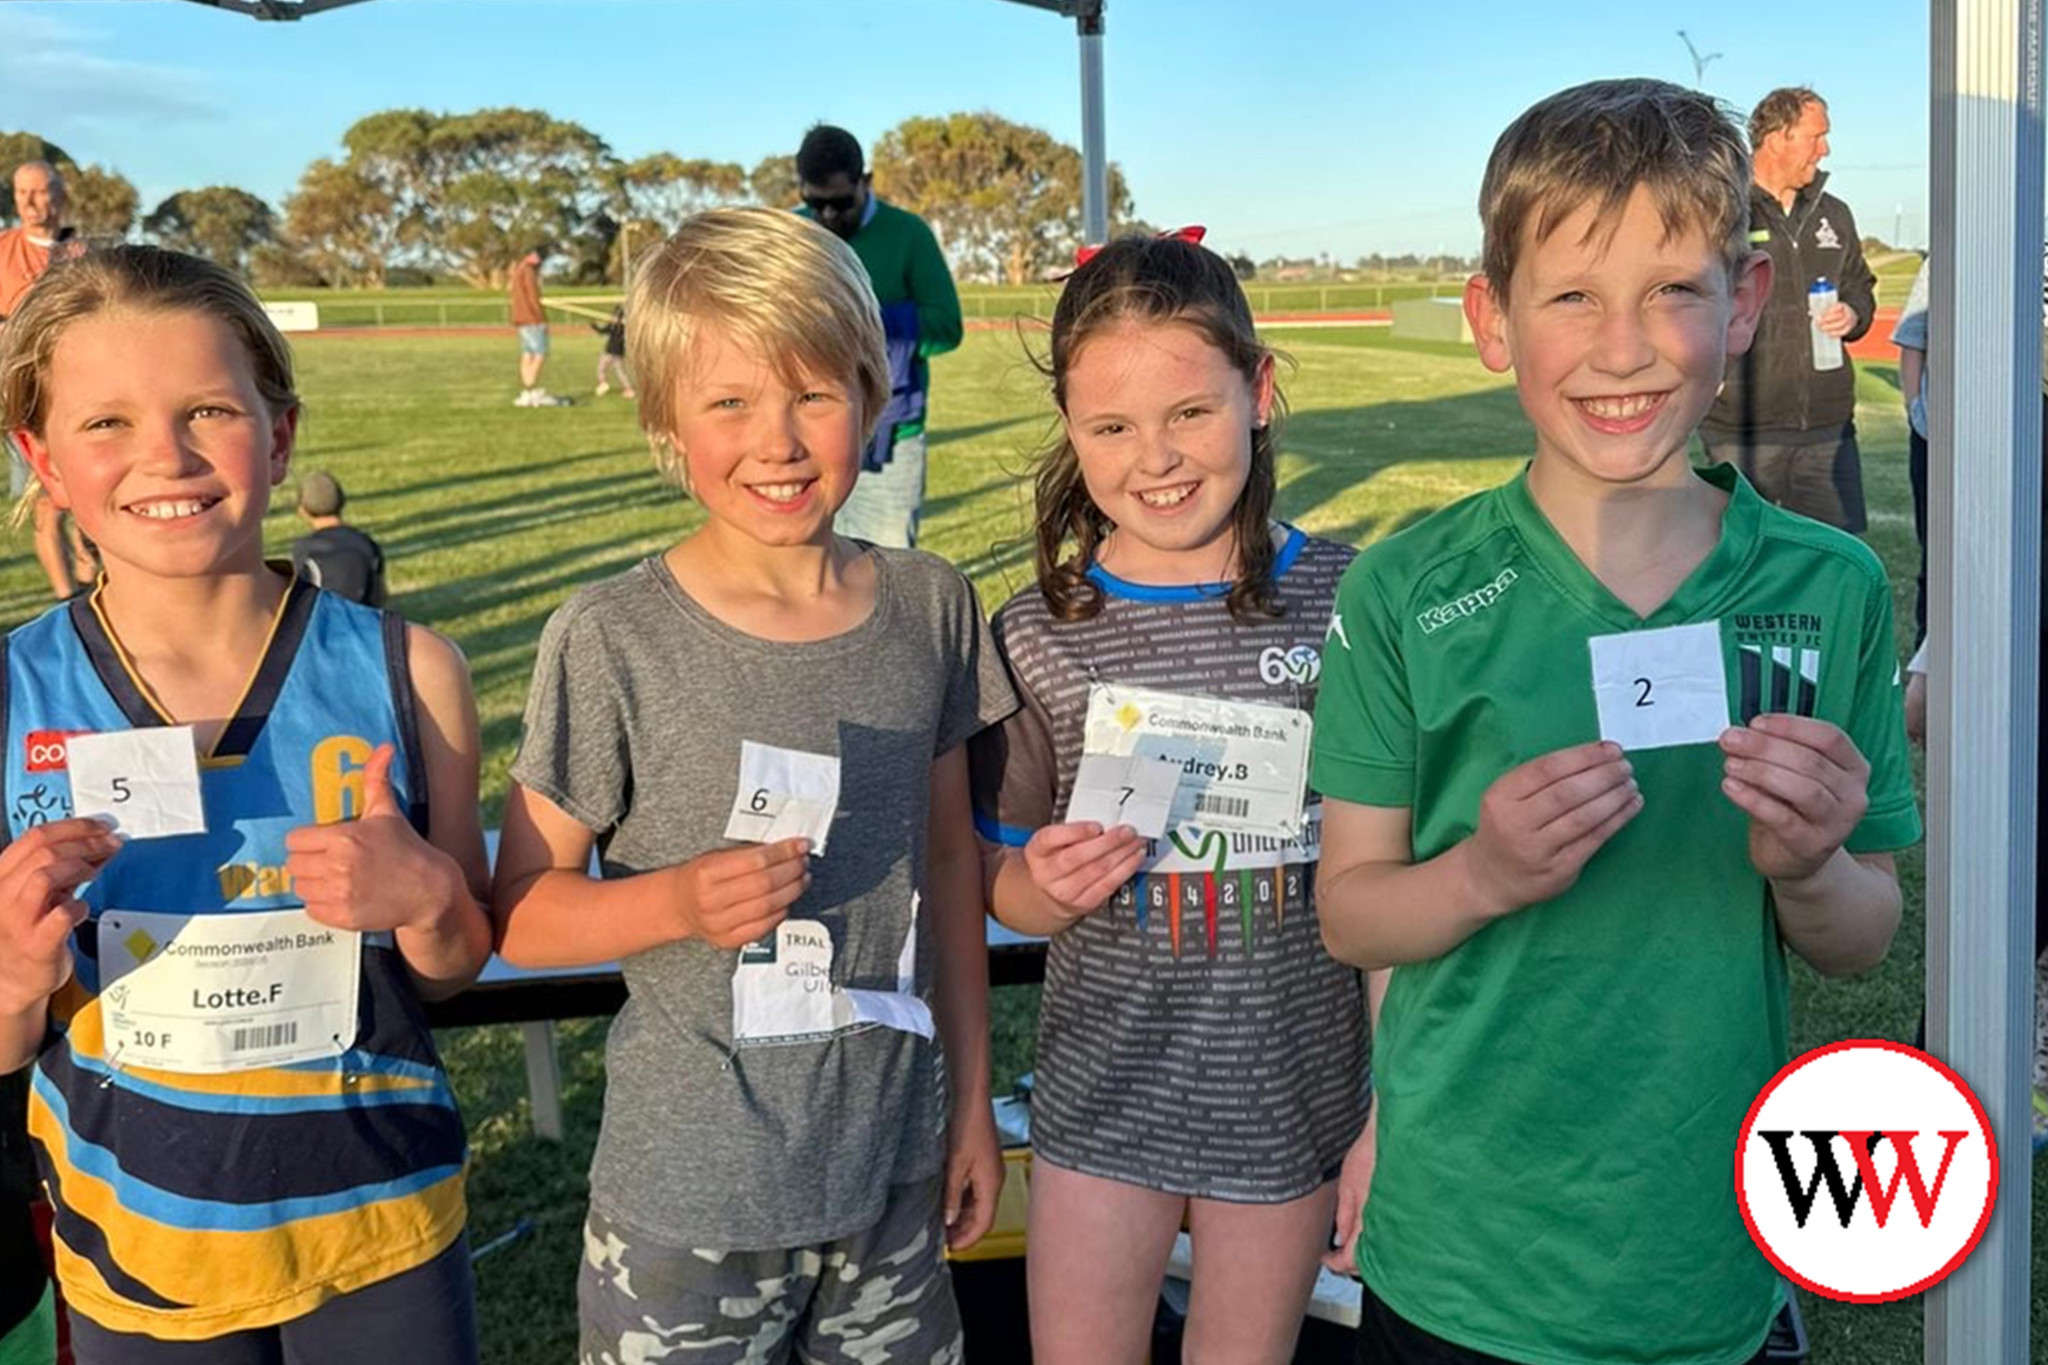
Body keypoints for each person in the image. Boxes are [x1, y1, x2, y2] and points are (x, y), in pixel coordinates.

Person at [1311, 80, 1918, 1365]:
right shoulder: (1408, 589)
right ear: (1492, 318)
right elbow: (1350, 909)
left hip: (1703, 1260)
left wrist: (1808, 864)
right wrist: (1481, 871)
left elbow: (1863, 933)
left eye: (1672, 292)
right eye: (1571, 295)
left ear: (1744, 304)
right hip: (1458, 1260)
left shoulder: (1829, 586)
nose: (1623, 347)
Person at [490, 206, 1016, 1364]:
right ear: (665, 419)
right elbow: (521, 912)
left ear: (874, 401)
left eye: (813, 394)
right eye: (728, 401)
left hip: (892, 1173)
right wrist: (674, 905)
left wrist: (968, 1106)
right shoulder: (610, 638)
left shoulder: (931, 605)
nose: (776, 441)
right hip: (689, 1201)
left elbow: (947, 870)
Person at [0, 245, 492, 1363]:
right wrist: (17, 971)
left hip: (384, 1231)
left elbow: (457, 961)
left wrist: (425, 900)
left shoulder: (412, 672)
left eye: (207, 410)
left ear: (278, 434)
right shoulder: (11, 692)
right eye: (106, 423)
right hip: (138, 1255)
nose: (163, 457)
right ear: (41, 456)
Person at [967, 231, 1370, 1365]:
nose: (1155, 457)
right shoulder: (1035, 632)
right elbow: (995, 877)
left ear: (1259, 389)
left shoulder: (1351, 602)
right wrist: (1037, 888)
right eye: (1111, 427)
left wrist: (1385, 1111)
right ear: (1070, 432)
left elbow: (1388, 876)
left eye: (1188, 412)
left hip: (1292, 1104)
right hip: (1105, 1100)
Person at [1699, 88, 1877, 533]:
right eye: (1816, 136)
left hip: (1827, 427)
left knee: (1835, 564)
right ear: (1778, 137)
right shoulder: (1722, 211)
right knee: (1742, 571)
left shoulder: (1834, 215)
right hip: (1741, 430)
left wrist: (1853, 314)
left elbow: (1861, 286)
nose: (1826, 148)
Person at [795, 124, 962, 548]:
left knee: (886, 573)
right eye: (816, 203)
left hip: (892, 438)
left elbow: (946, 327)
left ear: (864, 182)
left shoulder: (909, 233)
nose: (828, 216)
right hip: (806, 434)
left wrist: (861, 327)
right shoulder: (792, 235)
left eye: (839, 202)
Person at [1, 161, 94, 602]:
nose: (31, 203)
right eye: (22, 194)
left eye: (40, 192)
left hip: (83, 392)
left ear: (60, 196)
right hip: (22, 398)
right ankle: (67, 600)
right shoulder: (2, 251)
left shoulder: (83, 255)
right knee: (47, 500)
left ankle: (92, 571)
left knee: (90, 488)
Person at [1892, 253, 1931, 639]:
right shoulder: (1949, 259)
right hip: (1945, 441)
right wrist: (1916, 411)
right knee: (1941, 557)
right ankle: (1930, 658)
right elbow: (1912, 340)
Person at [290, 470, 387, 607]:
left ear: (302, 510)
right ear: (342, 502)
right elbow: (379, 595)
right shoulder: (366, 543)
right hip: (363, 621)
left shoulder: (304, 548)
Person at [508, 243, 568, 408]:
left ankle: (527, 388)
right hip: (532, 319)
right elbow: (533, 296)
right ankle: (530, 387)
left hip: (521, 319)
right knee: (540, 353)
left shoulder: (518, 269)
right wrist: (541, 318)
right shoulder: (528, 271)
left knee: (528, 353)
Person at [590, 304, 634, 398]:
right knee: (620, 372)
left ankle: (603, 383)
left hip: (610, 352)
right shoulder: (624, 327)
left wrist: (594, 326)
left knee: (601, 368)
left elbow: (602, 331)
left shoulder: (615, 326)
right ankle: (628, 389)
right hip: (619, 353)